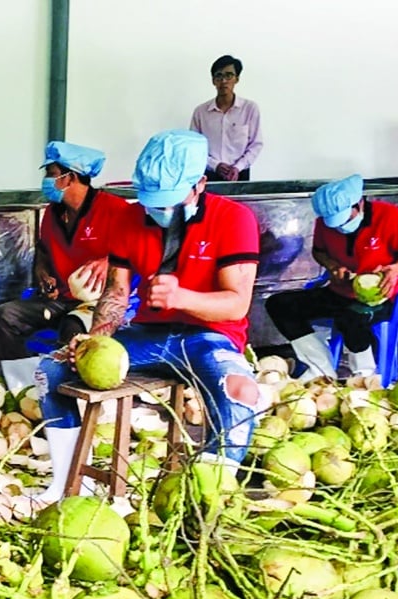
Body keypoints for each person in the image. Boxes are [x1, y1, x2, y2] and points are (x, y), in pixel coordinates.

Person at [34, 130, 261, 500]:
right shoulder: (130, 218)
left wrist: (181, 297)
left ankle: (208, 496)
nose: (159, 211)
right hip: (147, 336)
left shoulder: (234, 219)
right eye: (152, 202)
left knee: (242, 391)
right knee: (51, 370)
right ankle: (68, 486)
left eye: (169, 202)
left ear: (200, 185)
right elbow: (116, 291)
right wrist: (96, 340)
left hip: (209, 338)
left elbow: (236, 303)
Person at [0, 141, 130, 392]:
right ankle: (25, 389)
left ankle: (63, 395)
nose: (46, 180)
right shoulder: (53, 213)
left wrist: (108, 260)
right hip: (61, 300)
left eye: (51, 174)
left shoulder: (115, 210)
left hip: (97, 304)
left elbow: (139, 250)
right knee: (4, 316)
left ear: (70, 177)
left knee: (73, 328)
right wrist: (43, 274)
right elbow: (43, 251)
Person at [264, 174, 398, 381]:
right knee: (279, 304)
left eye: (345, 219)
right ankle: (320, 368)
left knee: (352, 317)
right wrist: (333, 266)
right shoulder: (324, 223)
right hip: (338, 291)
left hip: (379, 297)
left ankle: (365, 377)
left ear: (359, 203)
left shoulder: (389, 216)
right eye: (334, 223)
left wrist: (394, 270)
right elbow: (319, 252)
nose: (341, 226)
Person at [189, 55, 263, 182]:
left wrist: (238, 167)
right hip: (209, 173)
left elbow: (256, 144)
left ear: (237, 79)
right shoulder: (201, 112)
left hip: (239, 174)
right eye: (219, 76)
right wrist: (215, 165)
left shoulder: (249, 109)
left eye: (229, 75)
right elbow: (193, 147)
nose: (223, 81)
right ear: (213, 81)